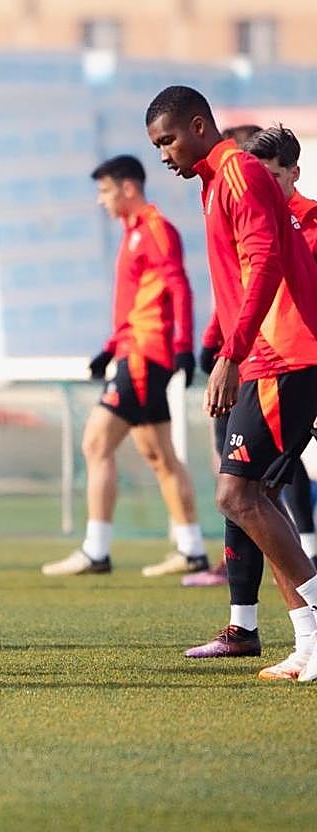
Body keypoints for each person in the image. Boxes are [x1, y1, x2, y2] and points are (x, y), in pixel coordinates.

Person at [146, 86, 317, 682]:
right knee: (259, 500)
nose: (163, 154)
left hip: (282, 355)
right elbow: (241, 276)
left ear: (198, 125)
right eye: (156, 145)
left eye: (167, 139)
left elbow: (266, 261)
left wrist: (231, 354)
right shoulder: (215, 184)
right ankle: (307, 645)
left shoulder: (239, 172)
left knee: (235, 496)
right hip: (271, 354)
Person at [42, 155, 207, 577]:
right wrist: (109, 346)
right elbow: (138, 302)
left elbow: (179, 287)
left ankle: (96, 550)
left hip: (145, 357)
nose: (101, 201)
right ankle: (192, 550)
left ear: (128, 188)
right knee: (160, 455)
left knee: (96, 444)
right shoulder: (132, 233)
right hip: (133, 351)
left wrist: (184, 346)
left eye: (105, 191)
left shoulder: (154, 228)